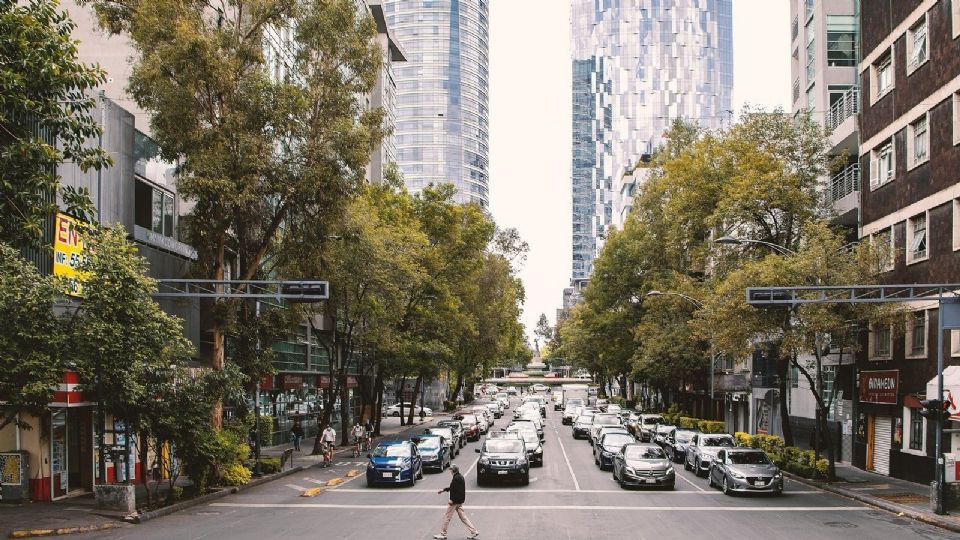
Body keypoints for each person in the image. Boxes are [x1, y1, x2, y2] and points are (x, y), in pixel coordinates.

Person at [435, 464, 478, 539]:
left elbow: (456, 491)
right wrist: (443, 490)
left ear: (453, 470)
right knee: (463, 518)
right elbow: (453, 488)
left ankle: (443, 533)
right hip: (459, 501)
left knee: (447, 517)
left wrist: (452, 500)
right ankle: (474, 531)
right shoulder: (460, 477)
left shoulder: (456, 478)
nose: (450, 471)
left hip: (455, 502)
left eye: (450, 470)